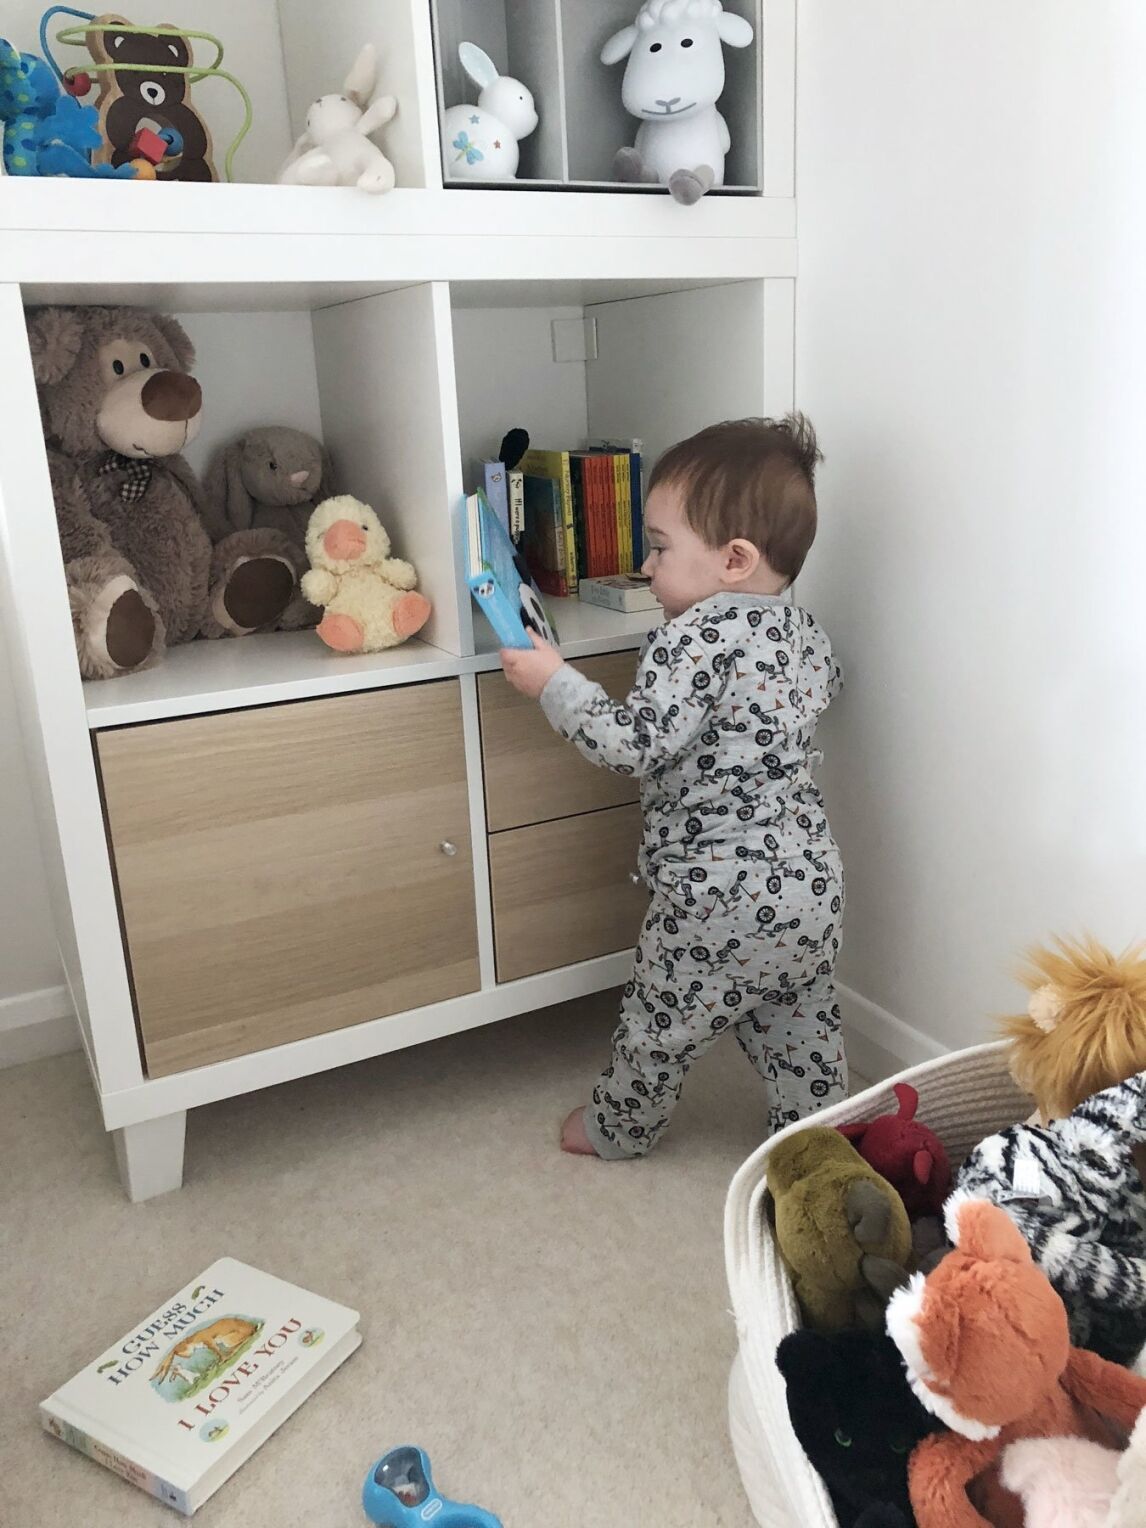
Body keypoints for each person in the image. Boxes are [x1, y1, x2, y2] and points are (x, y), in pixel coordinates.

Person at [500, 416, 848, 1158]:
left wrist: (553, 682)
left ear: (734, 560)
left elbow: (634, 744)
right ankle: (821, 1141)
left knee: (660, 1023)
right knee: (802, 1027)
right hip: (810, 886)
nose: (647, 567)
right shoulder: (805, 631)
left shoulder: (691, 636)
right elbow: (828, 689)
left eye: (659, 548)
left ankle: (617, 1127)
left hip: (715, 897)